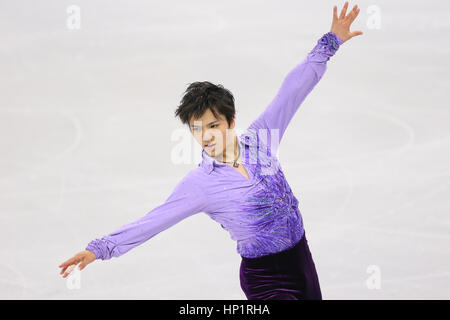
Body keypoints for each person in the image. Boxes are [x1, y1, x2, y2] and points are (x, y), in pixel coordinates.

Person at [59, 2, 363, 300]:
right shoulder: (200, 185)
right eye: (196, 129)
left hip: (301, 259)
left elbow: (292, 92)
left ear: (231, 121)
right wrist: (98, 249)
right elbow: (153, 221)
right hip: (265, 278)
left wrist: (330, 42)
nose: (205, 136)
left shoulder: (261, 139)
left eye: (212, 125)